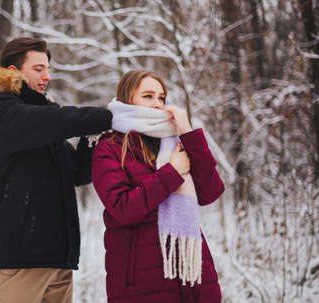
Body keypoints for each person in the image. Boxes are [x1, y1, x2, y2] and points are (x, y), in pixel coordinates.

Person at [0, 37, 112, 303]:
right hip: (20, 258)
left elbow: (76, 173)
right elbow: (49, 121)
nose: (47, 76)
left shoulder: (40, 117)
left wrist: (92, 137)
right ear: (14, 72)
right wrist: (104, 117)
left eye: (48, 69)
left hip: (57, 259)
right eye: (38, 69)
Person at [92, 70, 225, 303]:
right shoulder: (110, 147)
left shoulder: (173, 141)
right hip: (141, 282)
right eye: (148, 96)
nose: (157, 104)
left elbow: (210, 192)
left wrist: (188, 132)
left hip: (191, 273)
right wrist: (172, 172)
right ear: (127, 99)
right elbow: (123, 208)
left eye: (161, 97)